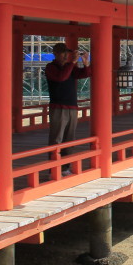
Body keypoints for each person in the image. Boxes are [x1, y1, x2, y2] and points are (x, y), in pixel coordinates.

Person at [45, 42, 91, 175]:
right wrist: (73, 63)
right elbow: (61, 77)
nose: (66, 56)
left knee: (69, 138)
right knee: (57, 138)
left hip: (71, 106)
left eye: (67, 53)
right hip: (58, 107)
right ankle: (53, 168)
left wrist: (85, 63)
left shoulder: (69, 67)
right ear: (56, 54)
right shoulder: (51, 67)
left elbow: (85, 74)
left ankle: (65, 167)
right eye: (63, 53)